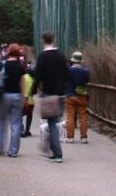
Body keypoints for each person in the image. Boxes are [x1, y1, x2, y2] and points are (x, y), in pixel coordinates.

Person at [31, 31, 70, 163]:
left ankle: (57, 153)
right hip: (60, 93)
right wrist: (67, 89)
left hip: (48, 93)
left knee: (52, 123)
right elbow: (67, 73)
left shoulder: (42, 56)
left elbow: (37, 75)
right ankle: (51, 149)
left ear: (43, 40)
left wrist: (32, 91)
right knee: (55, 121)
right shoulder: (61, 55)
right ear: (53, 40)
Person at [0, 43, 25, 157]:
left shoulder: (3, 64)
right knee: (15, 124)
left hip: (4, 96)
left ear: (9, 52)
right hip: (16, 96)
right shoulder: (20, 66)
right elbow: (22, 82)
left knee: (1, 122)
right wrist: (23, 97)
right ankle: (13, 151)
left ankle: (0, 148)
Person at [65, 51, 90, 143]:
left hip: (70, 95)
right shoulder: (85, 71)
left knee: (70, 117)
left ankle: (70, 137)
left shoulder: (68, 70)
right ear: (81, 61)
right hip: (82, 96)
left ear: (73, 60)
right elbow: (86, 82)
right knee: (83, 117)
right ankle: (84, 137)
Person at [21, 58, 35, 138]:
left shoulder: (23, 77)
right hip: (31, 101)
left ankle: (21, 129)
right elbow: (35, 92)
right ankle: (27, 130)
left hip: (23, 100)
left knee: (19, 115)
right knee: (29, 115)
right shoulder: (34, 80)